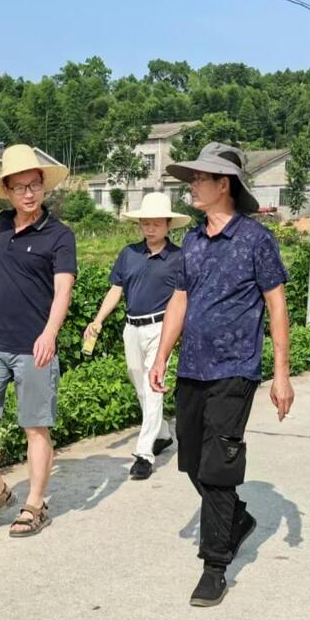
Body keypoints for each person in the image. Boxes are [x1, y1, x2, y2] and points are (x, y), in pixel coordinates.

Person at [148, 142, 294, 608]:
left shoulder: (255, 239)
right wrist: (162, 355)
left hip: (235, 368)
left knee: (218, 466)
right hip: (192, 367)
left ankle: (215, 566)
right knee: (192, 460)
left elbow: (276, 304)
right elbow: (180, 299)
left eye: (200, 178)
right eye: (192, 177)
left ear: (223, 184)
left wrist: (281, 373)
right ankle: (237, 518)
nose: (192, 185)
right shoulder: (192, 240)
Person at [0, 144, 76, 538]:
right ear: (7, 191)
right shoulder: (0, 225)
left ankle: (35, 504)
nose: (29, 194)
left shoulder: (59, 235)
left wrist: (50, 333)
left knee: (35, 427)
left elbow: (63, 290)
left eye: (35, 186)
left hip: (34, 346)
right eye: (20, 187)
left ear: (44, 187)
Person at [84, 192, 189, 480]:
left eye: (156, 223)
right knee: (139, 382)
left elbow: (184, 298)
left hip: (160, 328)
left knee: (153, 385)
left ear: (168, 225)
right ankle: (162, 433)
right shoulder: (128, 253)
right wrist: (98, 320)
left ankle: (144, 454)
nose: (150, 228)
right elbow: (116, 289)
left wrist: (181, 331)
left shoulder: (179, 258)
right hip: (132, 327)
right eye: (145, 223)